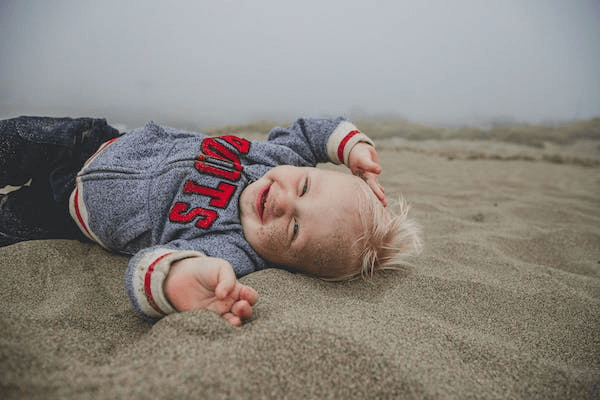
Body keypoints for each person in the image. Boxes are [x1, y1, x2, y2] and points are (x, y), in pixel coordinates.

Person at [0, 116, 421, 326]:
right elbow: (312, 131)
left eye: (294, 229)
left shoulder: (233, 249)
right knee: (13, 139)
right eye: (306, 187)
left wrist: (179, 278)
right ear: (308, 169)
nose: (285, 202)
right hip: (95, 141)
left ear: (289, 268)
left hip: (73, 216)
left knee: (9, 223)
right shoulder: (279, 158)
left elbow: (150, 263)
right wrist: (353, 147)